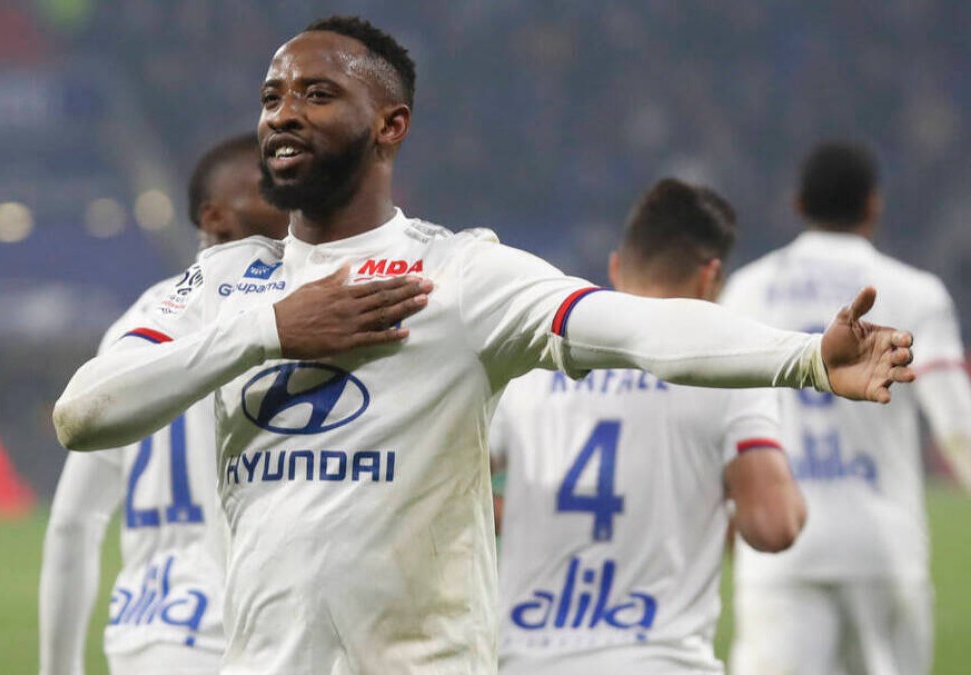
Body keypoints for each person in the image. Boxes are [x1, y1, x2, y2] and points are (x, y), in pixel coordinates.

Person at [52, 17, 915, 673]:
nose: (284, 113)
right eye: (274, 95)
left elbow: (632, 324)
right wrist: (271, 330)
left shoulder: (458, 274)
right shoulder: (220, 285)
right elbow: (83, 412)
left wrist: (804, 356)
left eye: (318, 94)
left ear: (391, 126)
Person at [490, 179, 806, 674]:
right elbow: (773, 525)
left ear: (616, 267)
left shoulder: (534, 367)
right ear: (711, 278)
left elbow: (446, 487)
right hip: (660, 659)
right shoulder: (729, 373)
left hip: (529, 659)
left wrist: (524, 512)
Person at [38, 133, 288, 675]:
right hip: (235, 633)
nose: (292, 202)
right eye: (270, 190)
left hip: (144, 635)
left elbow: (73, 523)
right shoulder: (285, 314)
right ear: (215, 215)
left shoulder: (135, 325)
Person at [726, 142, 971, 675]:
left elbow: (713, 418)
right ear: (873, 206)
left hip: (781, 547)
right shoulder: (915, 293)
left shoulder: (745, 292)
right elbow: (959, 429)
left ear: (796, 205)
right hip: (883, 547)